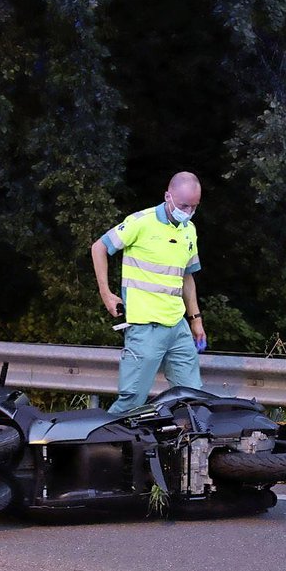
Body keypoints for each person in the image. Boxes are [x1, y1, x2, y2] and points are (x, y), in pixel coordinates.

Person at [91, 171, 207, 413]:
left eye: (194, 206)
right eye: (184, 206)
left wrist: (195, 319)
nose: (188, 212)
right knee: (131, 402)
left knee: (193, 399)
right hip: (145, 327)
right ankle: (101, 437)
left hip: (177, 326)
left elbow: (187, 277)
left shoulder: (189, 230)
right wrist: (106, 293)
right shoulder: (141, 222)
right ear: (168, 196)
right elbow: (99, 247)